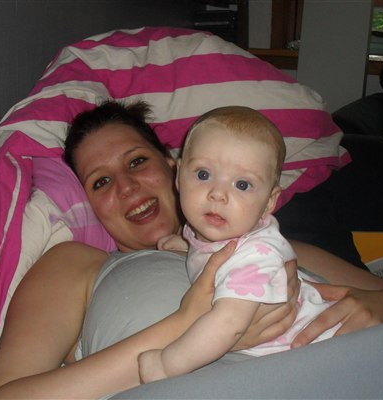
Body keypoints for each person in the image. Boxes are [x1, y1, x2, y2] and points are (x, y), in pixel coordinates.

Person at [0, 100, 383, 400]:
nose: (126, 187)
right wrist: (189, 325)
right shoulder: (75, 263)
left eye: (137, 162)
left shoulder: (273, 247)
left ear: (174, 167)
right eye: (101, 182)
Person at [138, 106, 340, 383]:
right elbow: (215, 253)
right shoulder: (212, 231)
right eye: (203, 174)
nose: (218, 194)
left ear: (269, 202)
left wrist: (166, 365)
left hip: (324, 351)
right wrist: (187, 244)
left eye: (242, 185)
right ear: (179, 175)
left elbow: (229, 323)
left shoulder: (255, 256)